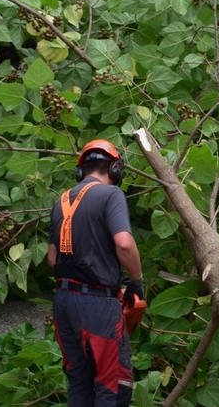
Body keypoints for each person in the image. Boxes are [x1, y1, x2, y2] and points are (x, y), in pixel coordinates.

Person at [48, 139, 144, 407]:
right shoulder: (111, 195)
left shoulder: (61, 201)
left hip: (64, 302)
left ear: (81, 170)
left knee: (80, 382)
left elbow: (52, 258)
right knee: (113, 386)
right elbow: (124, 243)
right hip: (97, 306)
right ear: (115, 169)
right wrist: (136, 281)